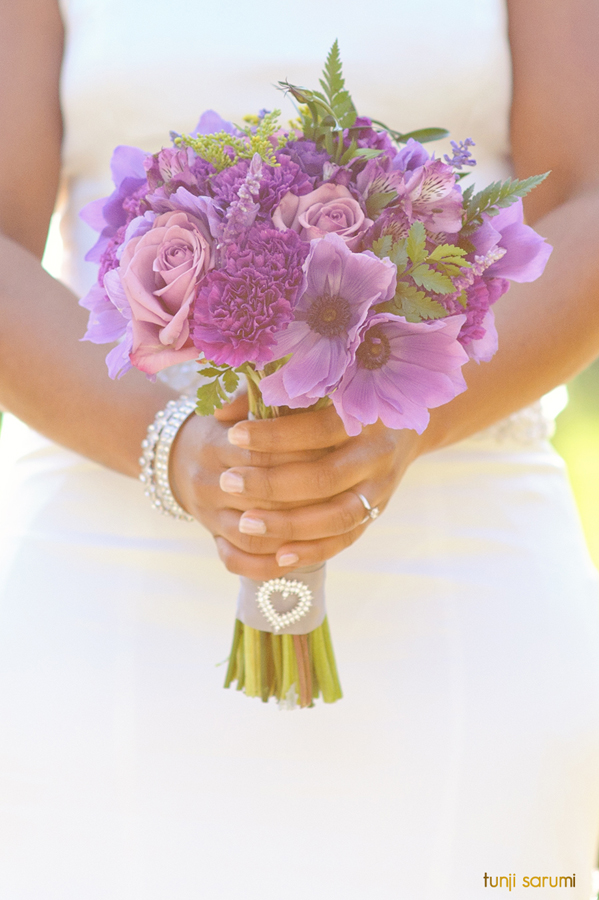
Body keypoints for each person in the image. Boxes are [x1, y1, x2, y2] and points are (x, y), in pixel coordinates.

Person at [0, 0, 598, 897]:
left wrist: (408, 419)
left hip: (459, 565)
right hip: (105, 574)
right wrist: (171, 445)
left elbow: (586, 194)